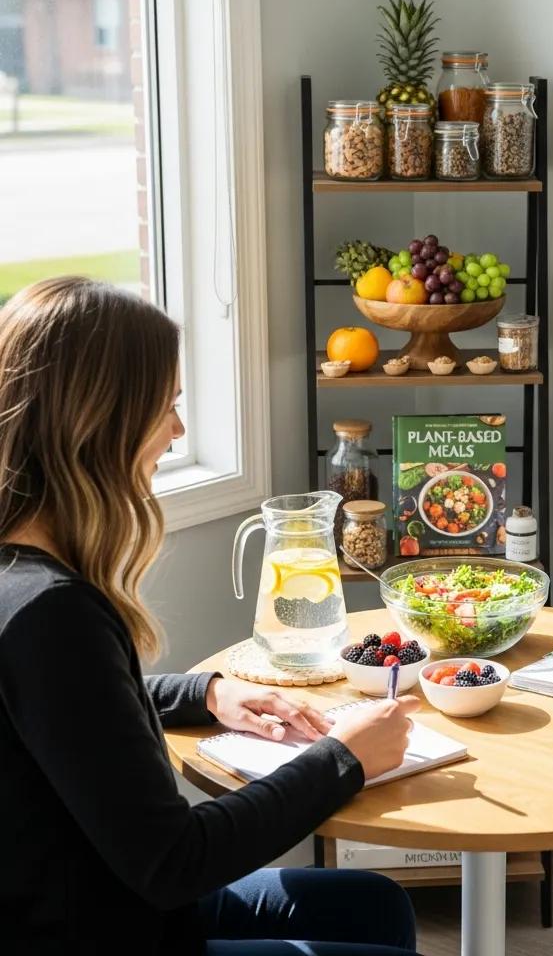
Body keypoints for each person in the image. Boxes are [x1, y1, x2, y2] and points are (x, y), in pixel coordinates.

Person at [0, 278, 422, 955]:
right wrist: (344, 759)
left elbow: (69, 717)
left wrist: (207, 691)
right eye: (165, 406)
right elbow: (176, 861)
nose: (179, 430)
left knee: (371, 905)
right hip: (102, 929)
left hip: (105, 902)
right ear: (101, 422)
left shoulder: (22, 582)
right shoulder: (52, 617)